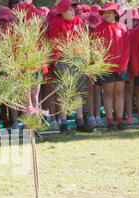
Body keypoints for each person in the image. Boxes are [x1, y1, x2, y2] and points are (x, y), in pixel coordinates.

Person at [47, 0, 93, 133]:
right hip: (63, 61)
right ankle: (63, 123)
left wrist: (85, 58)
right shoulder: (57, 23)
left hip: (78, 61)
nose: (72, 11)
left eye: (73, 8)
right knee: (64, 93)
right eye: (69, 9)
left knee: (78, 92)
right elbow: (54, 43)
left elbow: (84, 41)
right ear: (62, 11)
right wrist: (56, 62)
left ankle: (80, 121)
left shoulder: (79, 22)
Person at [95, 2, 130, 130]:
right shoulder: (100, 28)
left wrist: (123, 65)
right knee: (108, 94)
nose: (107, 14)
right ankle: (110, 121)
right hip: (106, 67)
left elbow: (127, 48)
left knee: (120, 93)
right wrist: (104, 65)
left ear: (115, 13)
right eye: (105, 12)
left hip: (121, 67)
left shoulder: (122, 28)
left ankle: (120, 120)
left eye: (110, 12)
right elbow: (96, 49)